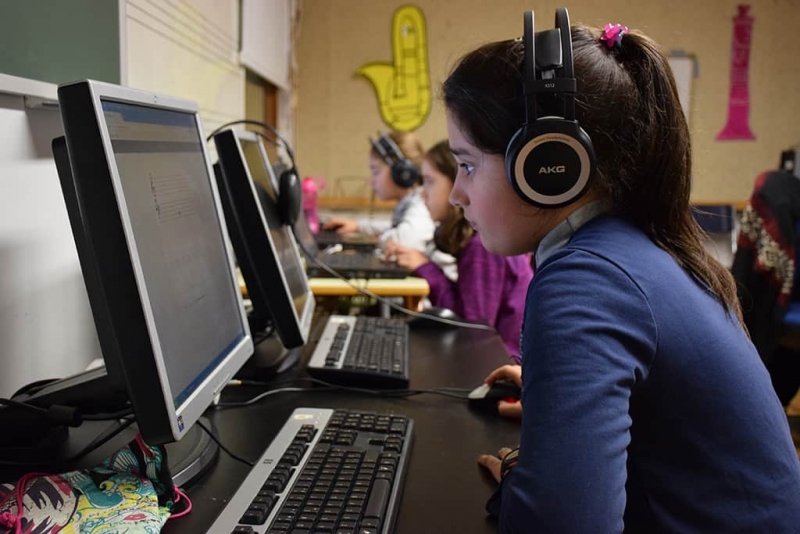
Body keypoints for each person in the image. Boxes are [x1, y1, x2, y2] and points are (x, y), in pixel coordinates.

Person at [442, 11, 800, 533]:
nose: (457, 193)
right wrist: (563, 397)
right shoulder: (636, 247)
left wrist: (525, 478)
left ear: (548, 165)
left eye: (468, 164)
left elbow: (562, 525)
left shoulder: (585, 281)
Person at [383, 141, 533, 361]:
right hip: (491, 357)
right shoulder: (476, 242)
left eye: (430, 182)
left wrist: (426, 268)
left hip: (502, 365)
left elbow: (472, 328)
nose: (423, 195)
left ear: (457, 181)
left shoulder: (483, 248)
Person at [323, 131, 436, 252]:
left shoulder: (422, 206)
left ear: (402, 173)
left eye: (376, 171)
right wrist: (358, 226)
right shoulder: (411, 202)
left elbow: (408, 240)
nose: (371, 181)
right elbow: (393, 227)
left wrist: (371, 240)